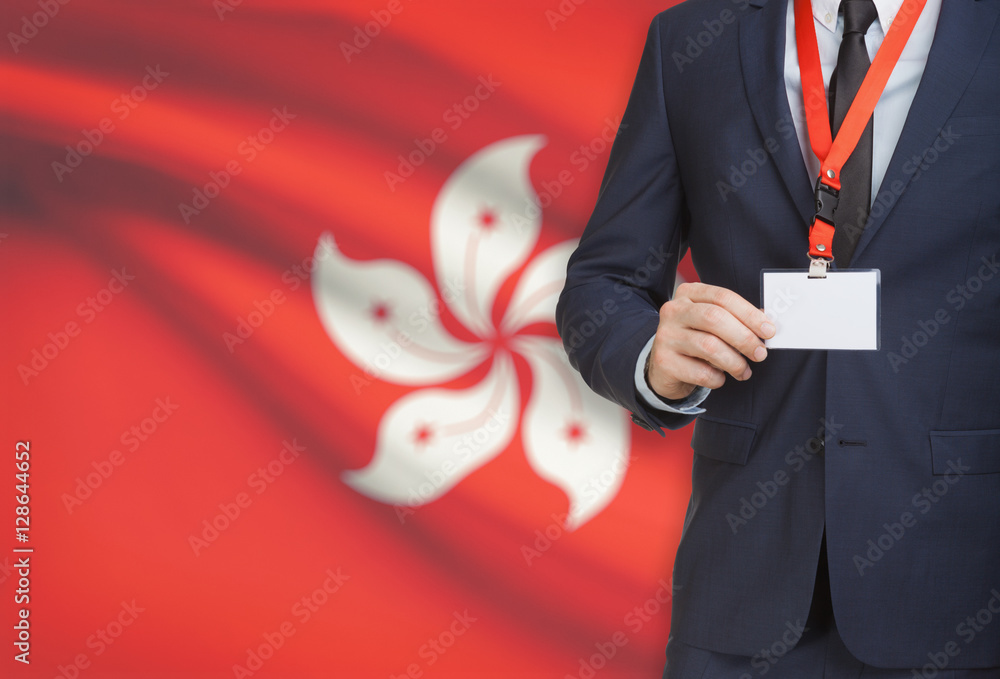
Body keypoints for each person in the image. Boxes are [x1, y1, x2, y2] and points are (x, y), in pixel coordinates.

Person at [556, 0, 1000, 676]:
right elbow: (603, 281)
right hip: (741, 596)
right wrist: (649, 356)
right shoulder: (693, 40)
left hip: (962, 589)